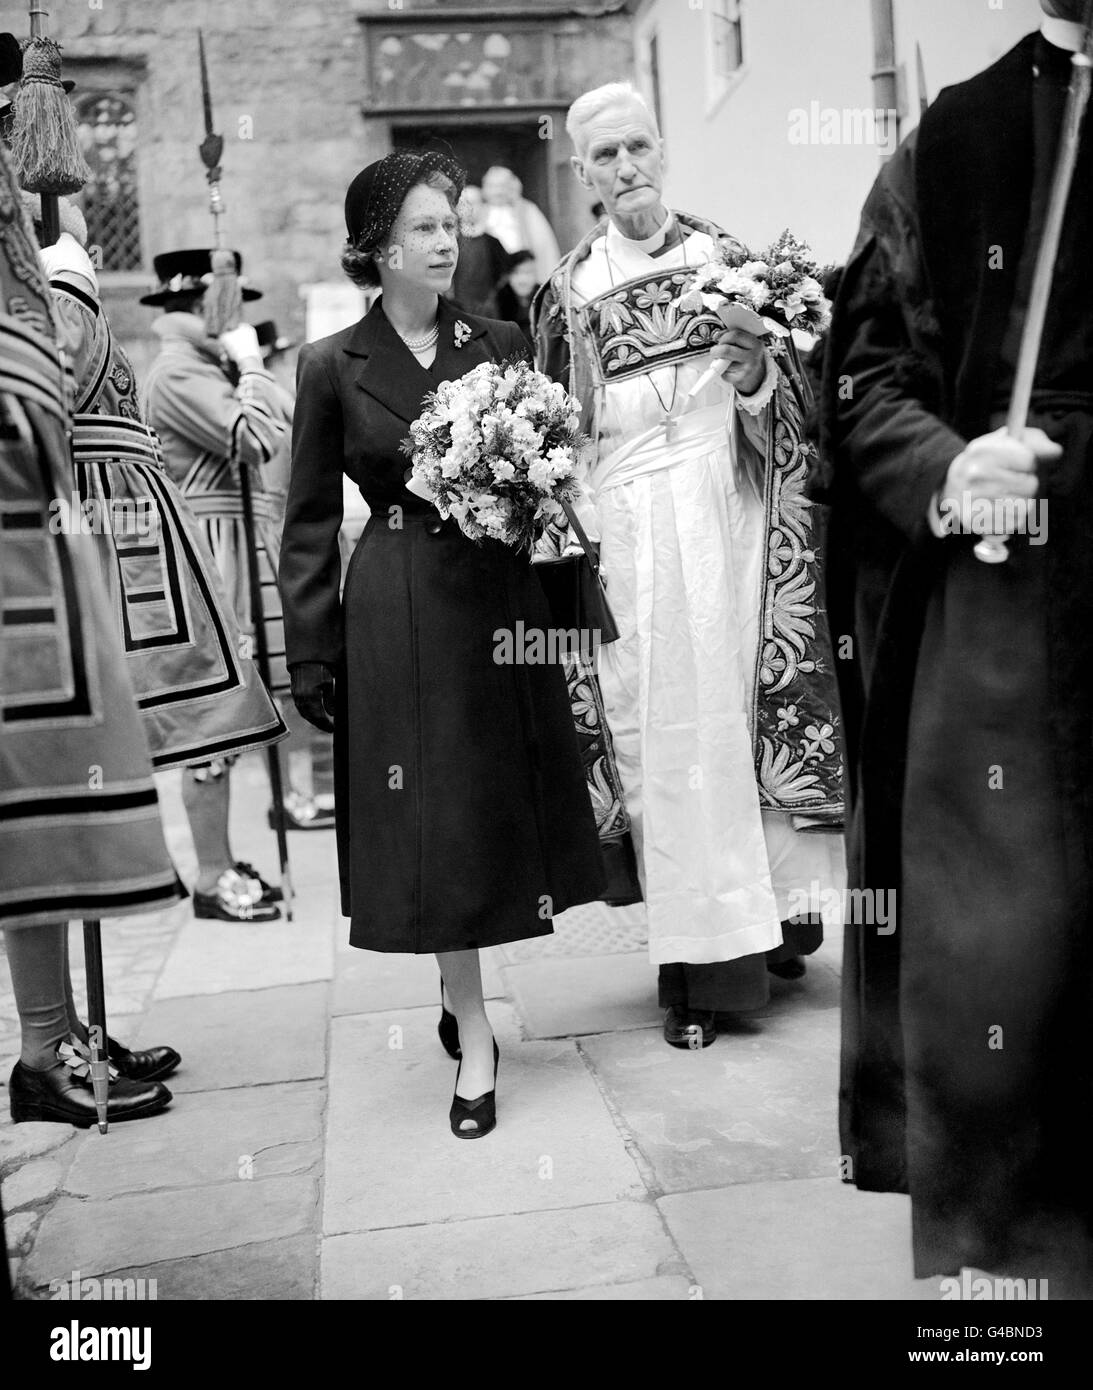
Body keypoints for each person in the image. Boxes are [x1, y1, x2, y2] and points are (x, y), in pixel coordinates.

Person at [821, 0, 1093, 1297]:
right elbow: (867, 382)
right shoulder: (953, 136)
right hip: (1011, 620)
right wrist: (948, 465)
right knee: (999, 1004)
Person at [279, 151, 604, 1138]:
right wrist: (311, 651)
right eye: (422, 225)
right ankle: (473, 1021)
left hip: (494, 601)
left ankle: (462, 984)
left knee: (485, 808)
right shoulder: (331, 364)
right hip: (397, 601)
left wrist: (572, 614)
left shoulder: (499, 339)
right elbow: (301, 521)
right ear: (378, 246)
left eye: (451, 221)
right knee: (427, 811)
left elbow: (549, 487)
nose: (444, 240)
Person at [534, 82, 845, 1048]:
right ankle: (698, 971)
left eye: (637, 148)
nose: (625, 170)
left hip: (730, 511)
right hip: (634, 537)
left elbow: (781, 396)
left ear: (660, 149)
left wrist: (754, 378)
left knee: (744, 714)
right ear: (582, 174)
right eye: (604, 158)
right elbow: (557, 442)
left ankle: (774, 925)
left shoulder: (729, 260)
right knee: (667, 738)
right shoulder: (567, 294)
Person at [0, 116, 180, 1126]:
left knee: (52, 813)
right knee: (31, 821)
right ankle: (41, 1045)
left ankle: (58, 1030)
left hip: (38, 543)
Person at [142, 251, 293, 922]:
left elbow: (287, 414)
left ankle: (222, 860)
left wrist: (246, 366)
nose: (238, 319)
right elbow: (256, 437)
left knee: (235, 718)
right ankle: (209, 873)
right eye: (228, 306)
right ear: (204, 306)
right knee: (218, 718)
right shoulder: (178, 370)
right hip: (212, 553)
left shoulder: (205, 367)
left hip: (235, 542)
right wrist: (253, 367)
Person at [253, 319, 335, 832]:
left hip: (281, 535)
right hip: (272, 539)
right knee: (279, 685)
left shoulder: (279, 402)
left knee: (292, 684)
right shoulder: (271, 406)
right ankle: (290, 795)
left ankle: (307, 790)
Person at [481, 165, 562, 284]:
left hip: (522, 274)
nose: (497, 192)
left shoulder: (527, 209)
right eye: (492, 186)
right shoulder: (480, 211)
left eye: (501, 186)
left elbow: (543, 246)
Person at [449, 184, 507, 319]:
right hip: (458, 312)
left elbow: (503, 278)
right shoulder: (451, 242)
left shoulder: (493, 243)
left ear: (483, 206)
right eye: (463, 204)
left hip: (490, 313)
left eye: (474, 203)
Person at [495, 249, 538, 347]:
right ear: (508, 276)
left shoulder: (544, 298)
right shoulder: (497, 302)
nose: (523, 279)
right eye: (517, 273)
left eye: (528, 272)